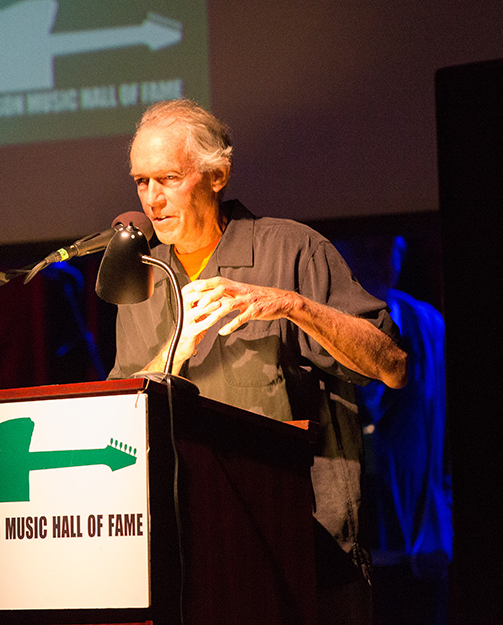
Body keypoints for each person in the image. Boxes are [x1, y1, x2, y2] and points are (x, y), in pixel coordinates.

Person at [108, 99, 408, 625]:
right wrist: (168, 358)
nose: (152, 200)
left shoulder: (292, 249)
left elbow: (391, 366)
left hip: (307, 553)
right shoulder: (145, 278)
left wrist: (292, 304)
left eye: (168, 179)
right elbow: (119, 419)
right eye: (141, 182)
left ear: (217, 174)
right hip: (191, 557)